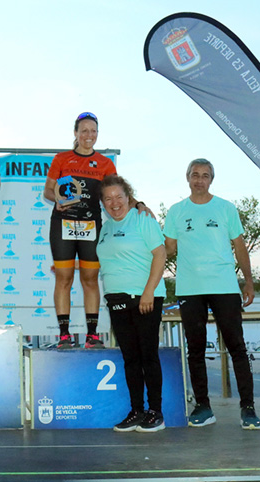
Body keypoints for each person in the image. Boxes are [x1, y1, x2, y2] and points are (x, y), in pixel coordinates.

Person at [164, 158, 260, 430]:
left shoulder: (226, 208)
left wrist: (248, 282)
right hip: (190, 289)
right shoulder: (176, 211)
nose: (199, 180)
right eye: (195, 174)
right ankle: (203, 407)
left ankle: (248, 408)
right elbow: (167, 249)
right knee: (195, 350)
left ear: (211, 180)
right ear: (188, 178)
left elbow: (240, 247)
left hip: (225, 287)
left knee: (237, 348)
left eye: (205, 175)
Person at [43, 112, 147, 348]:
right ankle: (64, 335)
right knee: (64, 278)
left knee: (90, 279)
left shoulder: (105, 163)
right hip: (63, 223)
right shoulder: (62, 159)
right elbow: (48, 190)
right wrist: (57, 200)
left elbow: (118, 192)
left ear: (97, 134)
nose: (89, 135)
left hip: (91, 225)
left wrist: (138, 204)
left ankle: (92, 335)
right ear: (76, 133)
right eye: (84, 131)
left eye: (93, 131)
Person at [96, 175, 166, 432]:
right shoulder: (105, 228)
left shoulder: (143, 219)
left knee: (148, 356)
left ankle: (156, 413)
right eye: (108, 199)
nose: (114, 203)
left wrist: (149, 292)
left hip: (144, 298)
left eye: (119, 197)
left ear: (129, 198)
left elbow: (160, 254)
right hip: (116, 300)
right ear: (103, 203)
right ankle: (137, 411)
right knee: (130, 359)